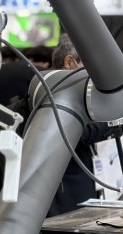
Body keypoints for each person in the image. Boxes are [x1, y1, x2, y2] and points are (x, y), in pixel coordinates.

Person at [47, 33, 112, 216]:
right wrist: (112, 118)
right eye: (91, 65)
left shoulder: (77, 93)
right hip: (64, 196)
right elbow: (76, 133)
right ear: (70, 63)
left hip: (82, 187)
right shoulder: (53, 94)